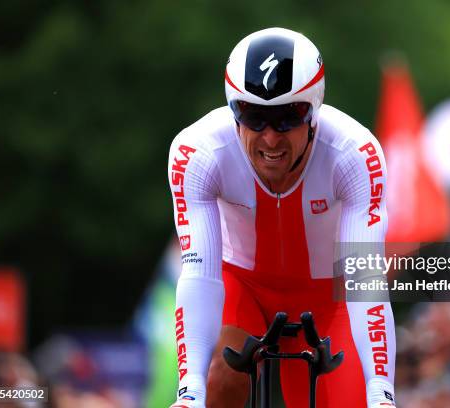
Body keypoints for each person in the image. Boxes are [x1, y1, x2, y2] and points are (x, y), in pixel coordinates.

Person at [168, 27, 396, 408]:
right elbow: (199, 274)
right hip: (242, 285)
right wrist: (189, 390)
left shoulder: (355, 155)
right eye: (254, 117)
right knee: (219, 379)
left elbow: (364, 283)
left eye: (288, 117)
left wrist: (381, 393)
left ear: (313, 111)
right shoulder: (199, 153)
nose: (271, 138)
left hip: (330, 298)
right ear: (233, 110)